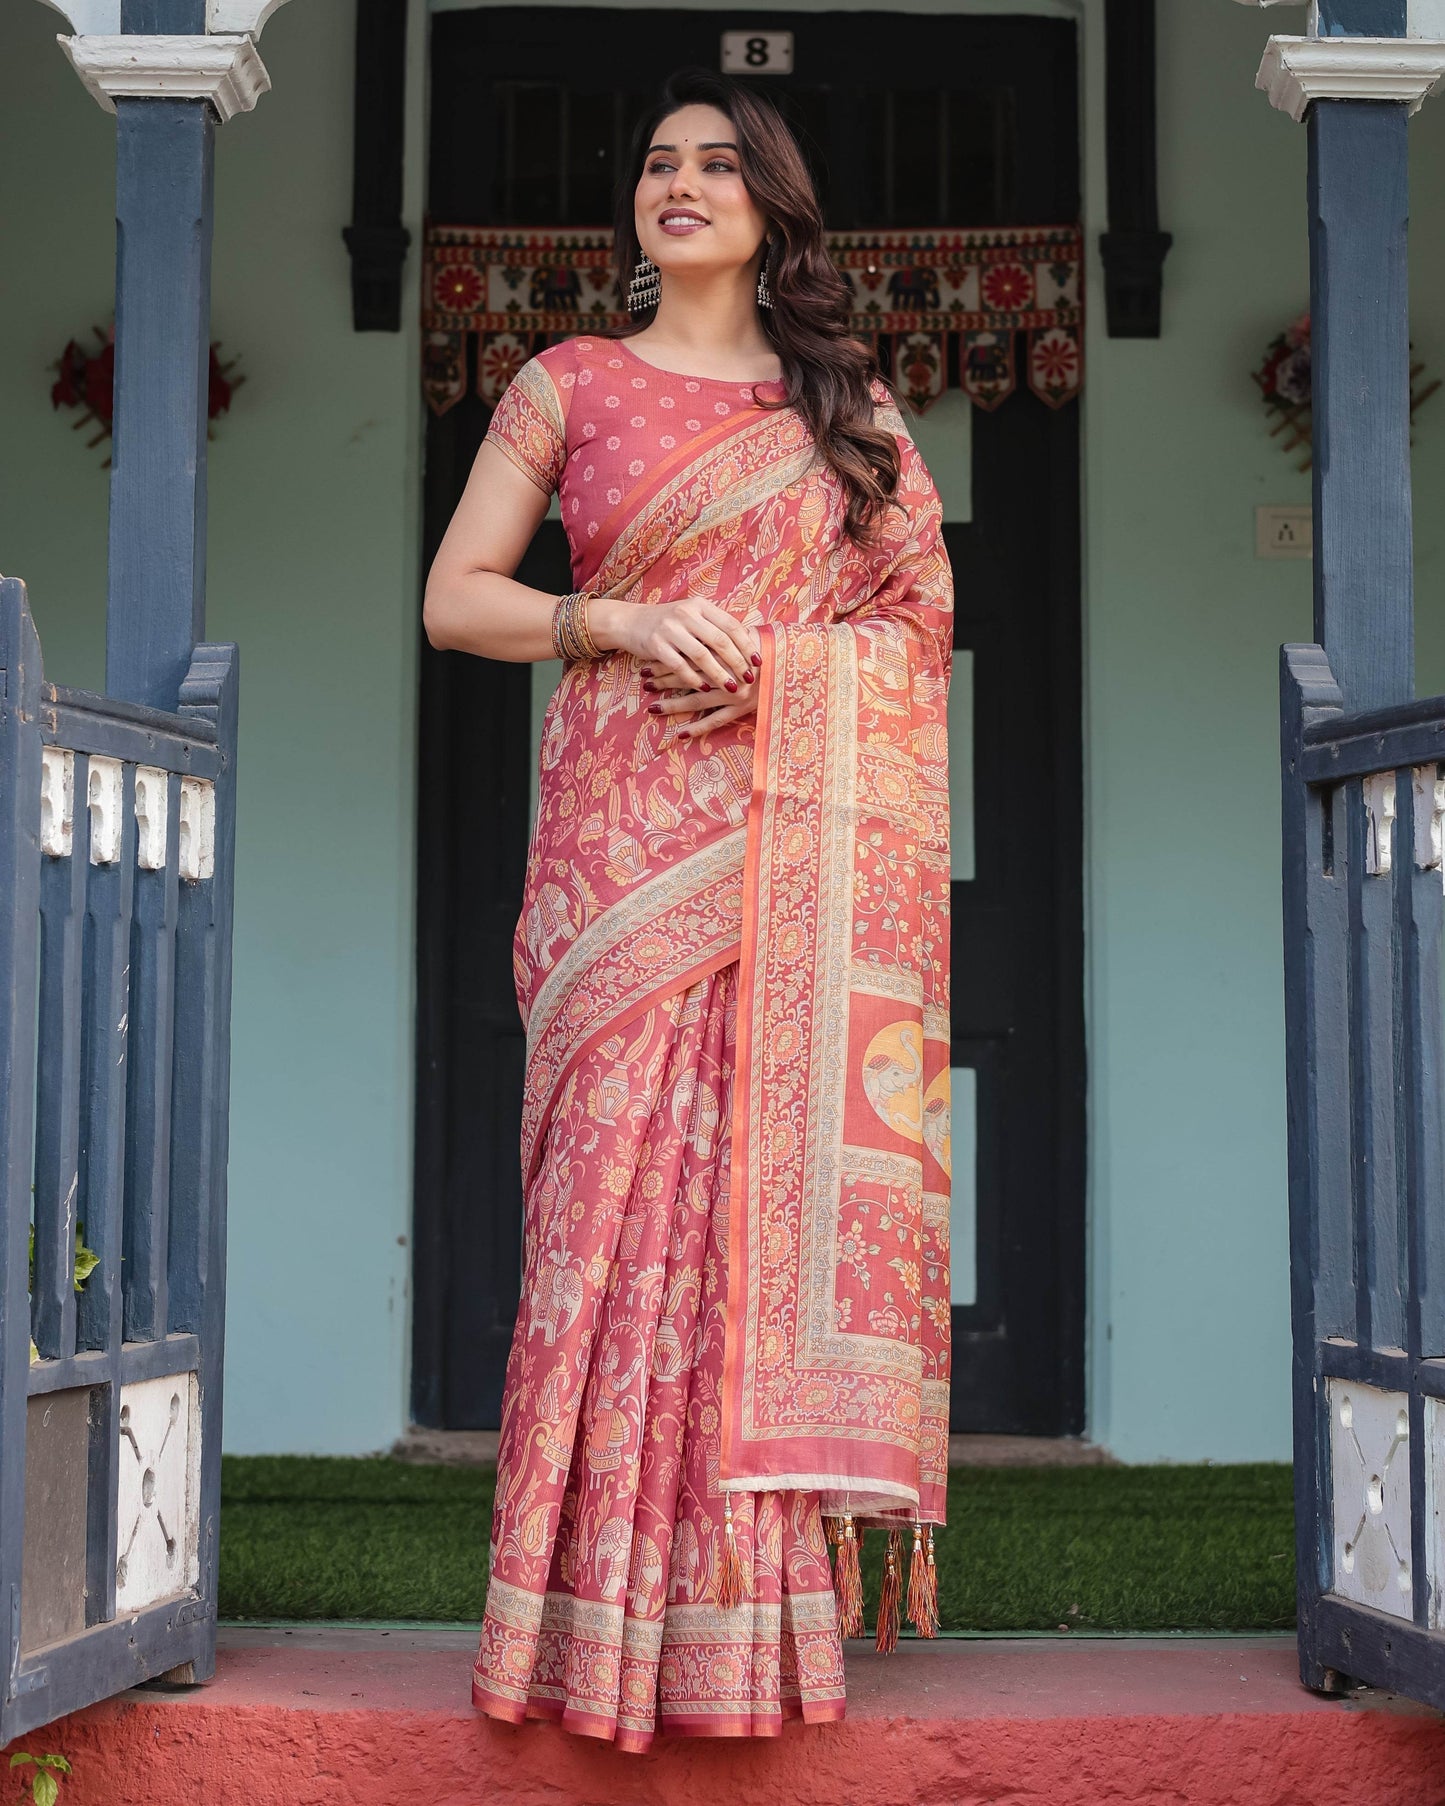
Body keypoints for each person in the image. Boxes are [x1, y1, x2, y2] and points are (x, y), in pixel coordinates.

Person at [423, 66, 953, 1753]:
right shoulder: (564, 383)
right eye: (658, 164)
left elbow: (916, 631)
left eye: (718, 165)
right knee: (602, 1228)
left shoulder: (846, 408)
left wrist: (785, 671)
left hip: (786, 876)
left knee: (745, 1238)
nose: (680, 184)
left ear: (771, 205)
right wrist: (622, 629)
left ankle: (746, 1635)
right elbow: (457, 601)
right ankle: (577, 1630)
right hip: (611, 867)